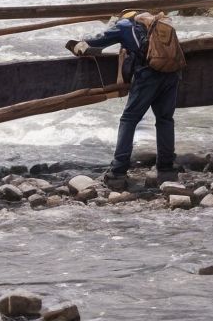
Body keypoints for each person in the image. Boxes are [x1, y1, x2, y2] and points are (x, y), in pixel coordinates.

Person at [67, 11, 179, 188]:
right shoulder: (158, 23)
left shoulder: (124, 26)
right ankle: (166, 170)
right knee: (165, 119)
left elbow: (96, 41)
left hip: (147, 75)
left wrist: (77, 43)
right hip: (171, 73)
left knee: (129, 119)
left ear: (123, 17)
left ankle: (118, 171)